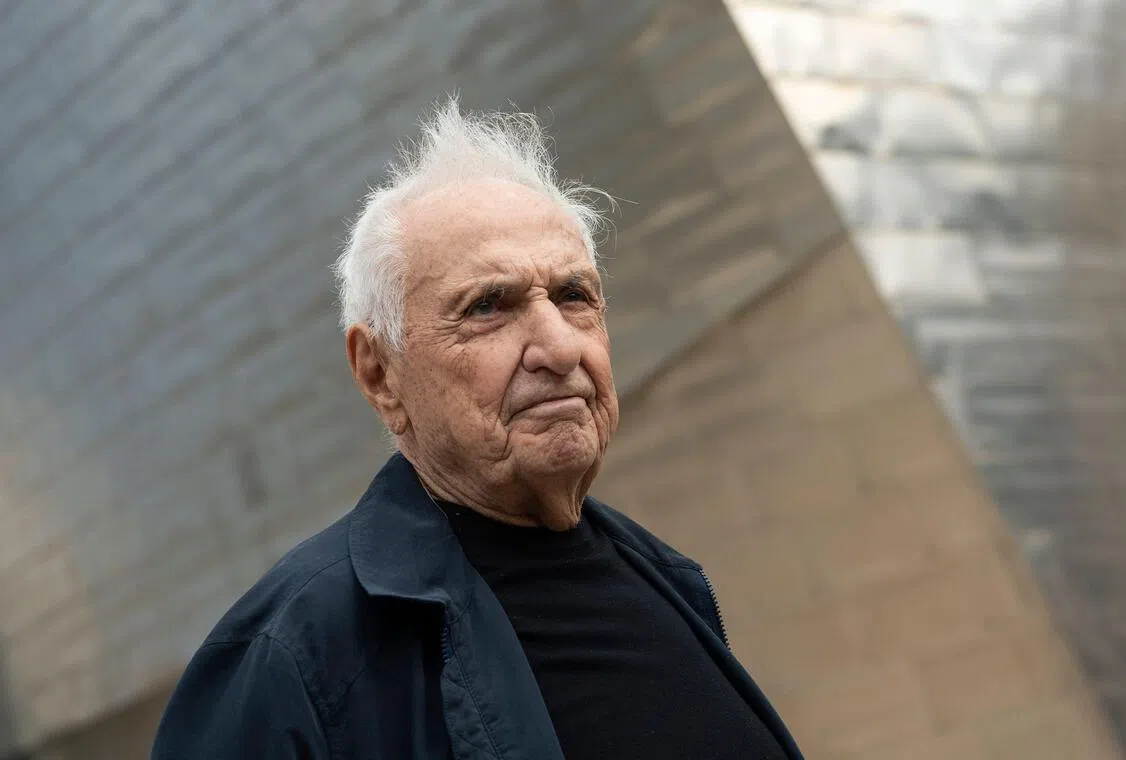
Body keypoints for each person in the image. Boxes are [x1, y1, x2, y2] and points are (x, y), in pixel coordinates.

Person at [151, 100, 803, 760]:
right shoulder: (291, 661)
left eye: (574, 296)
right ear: (380, 375)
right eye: (490, 306)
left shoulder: (669, 578)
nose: (559, 348)